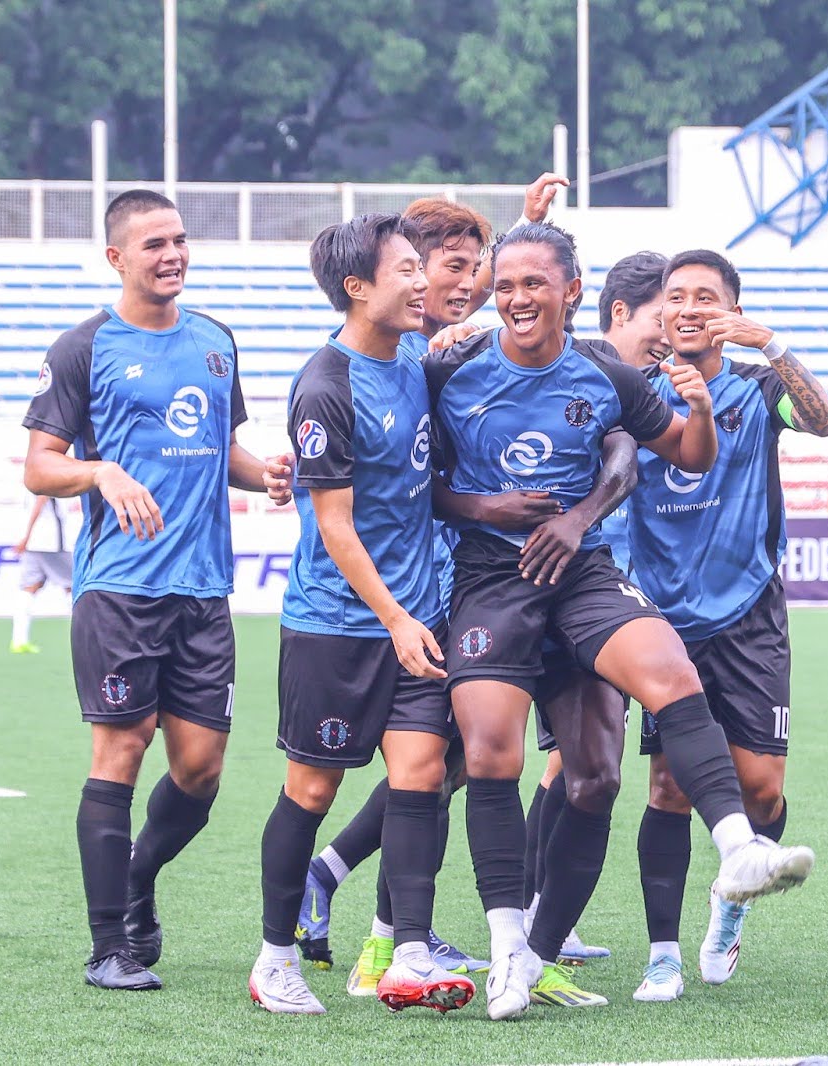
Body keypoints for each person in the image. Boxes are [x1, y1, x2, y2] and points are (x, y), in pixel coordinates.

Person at [428, 222, 814, 1021]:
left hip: (583, 572)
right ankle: (507, 948)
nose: (518, 298)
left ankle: (736, 848)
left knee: (632, 728)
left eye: (536, 284)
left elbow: (683, 453)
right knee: (492, 755)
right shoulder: (452, 368)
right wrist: (484, 507)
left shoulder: (608, 372)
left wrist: (696, 415)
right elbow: (408, 478)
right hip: (492, 579)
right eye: (506, 285)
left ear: (573, 291)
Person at [296, 179, 570, 990]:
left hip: (448, 581)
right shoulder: (393, 354)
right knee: (435, 764)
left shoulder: (438, 347)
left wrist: (528, 227)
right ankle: (381, 939)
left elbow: (496, 289)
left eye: (473, 268)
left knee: (440, 765)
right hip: (398, 596)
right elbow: (358, 489)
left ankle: (360, 902)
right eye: (443, 267)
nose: (466, 284)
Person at [21, 189, 289, 992]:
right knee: (122, 747)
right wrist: (100, 470)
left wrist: (270, 473)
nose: (172, 255)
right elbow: (40, 466)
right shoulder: (83, 347)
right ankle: (109, 947)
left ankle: (136, 877)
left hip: (204, 589)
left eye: (179, 240)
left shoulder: (215, 340)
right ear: (116, 258)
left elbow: (224, 451)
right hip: (120, 588)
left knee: (201, 770)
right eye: (153, 244)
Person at [251, 213, 476, 1015]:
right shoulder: (325, 385)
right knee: (311, 792)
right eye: (407, 269)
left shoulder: (415, 355)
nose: (425, 282)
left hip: (418, 618)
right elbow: (335, 528)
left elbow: (477, 289)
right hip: (337, 627)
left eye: (422, 266)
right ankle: (274, 960)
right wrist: (395, 619)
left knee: (421, 774)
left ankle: (407, 954)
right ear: (357, 287)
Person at [624, 250, 828, 1002]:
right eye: (676, 295)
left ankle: (730, 904)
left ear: (731, 311)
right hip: (663, 622)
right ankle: (662, 956)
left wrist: (772, 345)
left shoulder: (758, 386)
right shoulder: (637, 392)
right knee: (667, 787)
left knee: (762, 790)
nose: (689, 308)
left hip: (749, 615)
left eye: (706, 297)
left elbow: (825, 422)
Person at [519, 248, 673, 977]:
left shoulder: (644, 389)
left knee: (570, 766)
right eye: (660, 317)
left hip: (604, 593)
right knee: (463, 762)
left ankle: (541, 917)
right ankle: (522, 919)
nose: (670, 333)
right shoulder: (583, 369)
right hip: (551, 594)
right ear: (618, 312)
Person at [10, 492, 80, 653]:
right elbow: (40, 502)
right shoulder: (47, 479)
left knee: (29, 588)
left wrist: (26, 537)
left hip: (35, 543)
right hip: (51, 542)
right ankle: (83, 635)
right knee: (73, 586)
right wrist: (27, 535)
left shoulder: (28, 481)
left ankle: (19, 640)